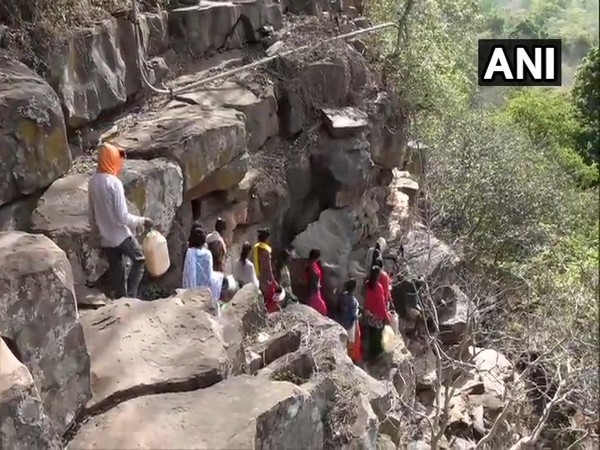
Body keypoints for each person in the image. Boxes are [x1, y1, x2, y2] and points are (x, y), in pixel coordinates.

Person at [88, 143, 154, 299]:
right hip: (120, 236)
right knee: (139, 260)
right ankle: (131, 297)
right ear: (111, 159)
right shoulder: (114, 183)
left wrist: (97, 233)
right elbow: (122, 216)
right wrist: (142, 221)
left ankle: (121, 301)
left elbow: (91, 214)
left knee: (118, 271)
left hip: (106, 238)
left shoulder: (93, 181)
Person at [182, 224, 223, 304]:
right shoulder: (207, 254)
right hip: (206, 287)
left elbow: (187, 273)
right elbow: (208, 276)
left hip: (193, 286)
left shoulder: (189, 252)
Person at [363, 266, 390, 360]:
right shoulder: (378, 287)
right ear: (378, 275)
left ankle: (370, 353)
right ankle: (376, 355)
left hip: (369, 314)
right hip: (378, 316)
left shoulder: (367, 284)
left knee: (371, 334)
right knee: (378, 336)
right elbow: (381, 304)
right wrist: (386, 317)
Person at [338, 279, 361, 363]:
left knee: (343, 342)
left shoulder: (342, 297)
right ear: (354, 289)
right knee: (351, 342)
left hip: (342, 322)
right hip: (350, 325)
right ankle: (350, 360)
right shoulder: (353, 302)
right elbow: (354, 316)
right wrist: (359, 315)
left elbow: (341, 308)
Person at [253, 228, 276, 296]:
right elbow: (268, 268)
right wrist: (273, 282)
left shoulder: (256, 247)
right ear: (266, 238)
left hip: (256, 277)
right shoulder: (265, 251)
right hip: (264, 280)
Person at [305, 249, 328, 316]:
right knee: (322, 308)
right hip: (313, 291)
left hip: (316, 290)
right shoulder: (310, 265)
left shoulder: (314, 264)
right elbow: (311, 277)